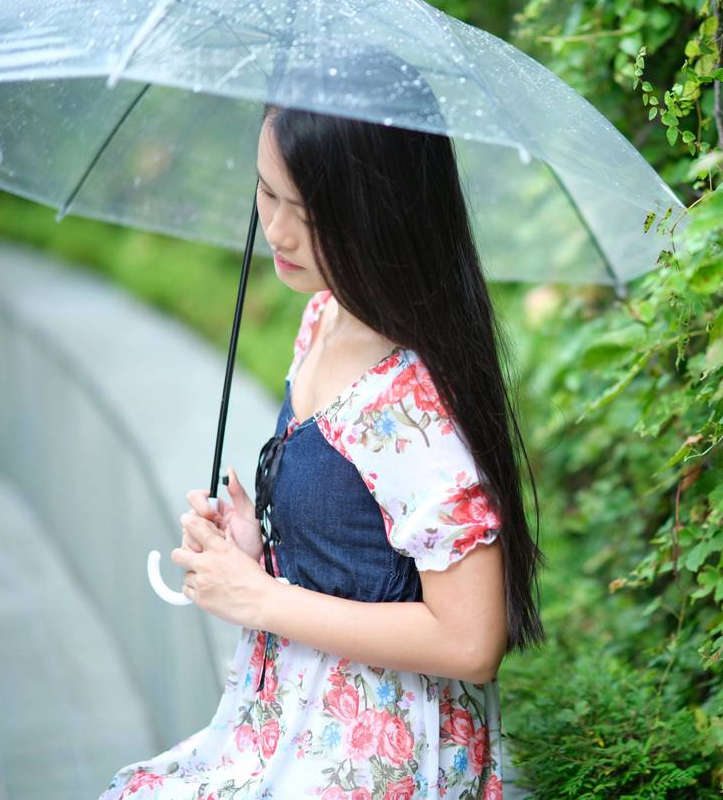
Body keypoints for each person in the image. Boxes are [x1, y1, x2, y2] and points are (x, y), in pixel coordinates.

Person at [100, 70, 545, 798]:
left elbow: (471, 641)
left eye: (306, 212)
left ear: (380, 212)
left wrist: (260, 599)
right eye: (267, 193)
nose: (276, 230)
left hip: (380, 750)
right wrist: (264, 548)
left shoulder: (410, 399)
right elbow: (364, 546)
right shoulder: (325, 315)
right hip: (294, 715)